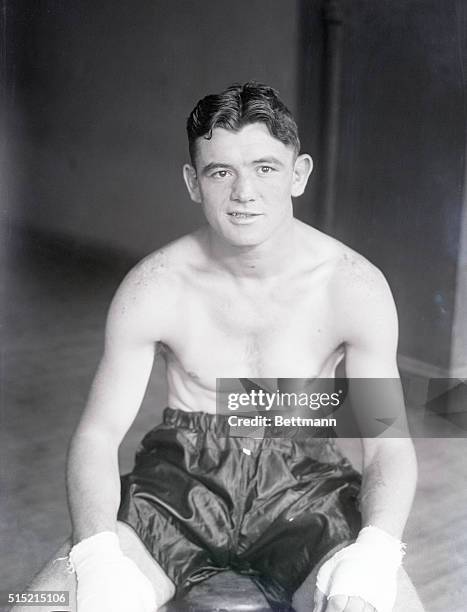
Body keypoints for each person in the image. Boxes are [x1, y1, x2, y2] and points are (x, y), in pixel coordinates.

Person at [17, 82, 423, 612]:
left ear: (298, 174)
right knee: (34, 604)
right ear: (193, 182)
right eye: (220, 172)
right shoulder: (153, 286)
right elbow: (97, 435)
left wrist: (377, 549)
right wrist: (96, 554)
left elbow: (389, 443)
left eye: (265, 168)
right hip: (176, 489)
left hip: (305, 489)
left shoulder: (355, 288)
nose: (244, 192)